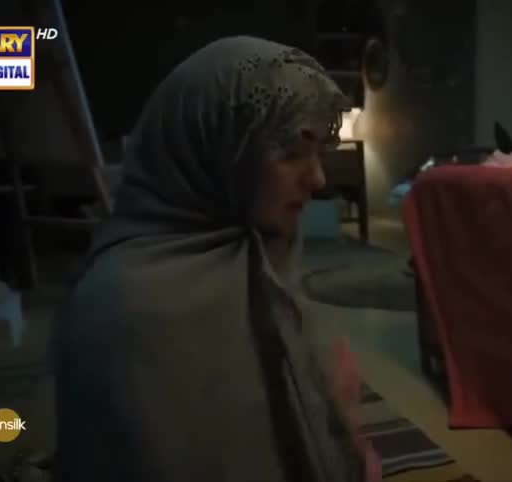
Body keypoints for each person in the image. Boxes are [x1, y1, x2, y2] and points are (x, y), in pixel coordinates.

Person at [52, 36, 380, 482]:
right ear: (216, 149)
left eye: (320, 152)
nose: (318, 179)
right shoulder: (122, 308)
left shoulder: (259, 245)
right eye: (290, 153)